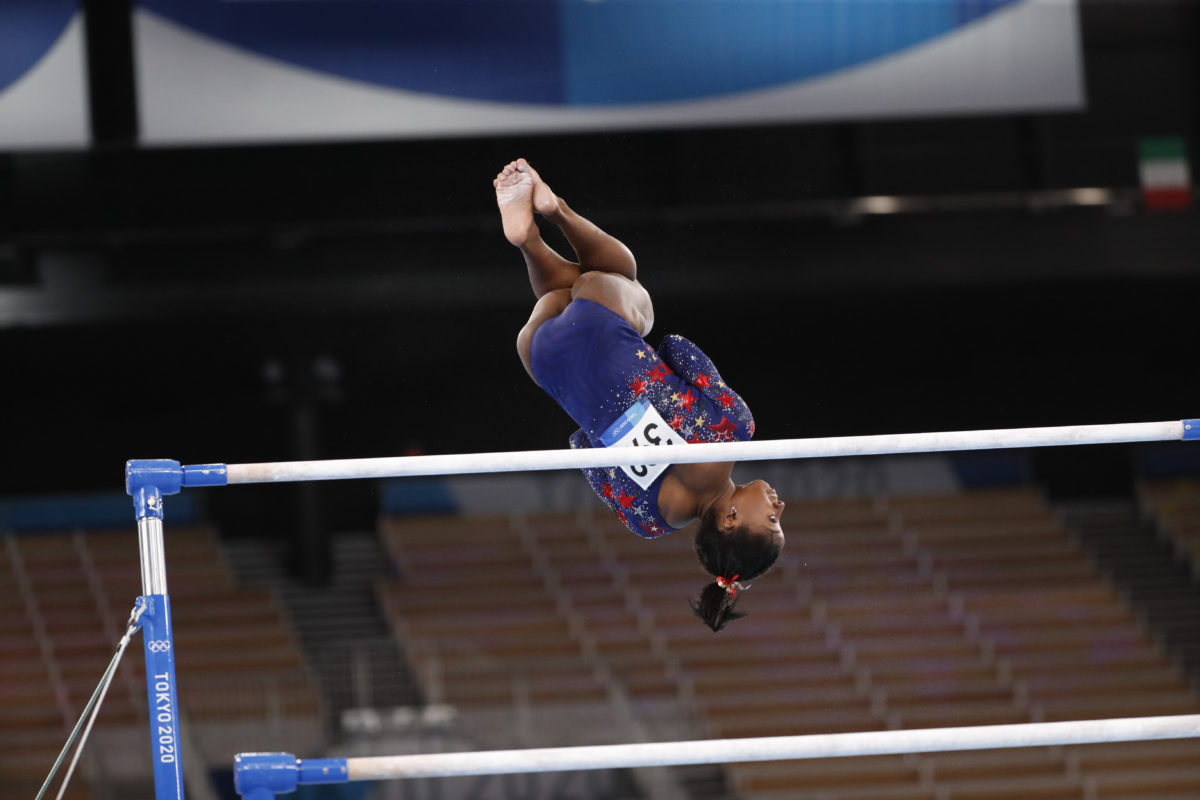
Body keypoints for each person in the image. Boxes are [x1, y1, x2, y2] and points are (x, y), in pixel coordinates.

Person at [495, 158, 786, 632]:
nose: (779, 507)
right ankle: (526, 242)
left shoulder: (734, 432)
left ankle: (556, 211)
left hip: (599, 312)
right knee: (574, 305)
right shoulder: (645, 521)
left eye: (772, 521)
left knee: (632, 291)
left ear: (731, 518)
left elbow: (678, 348)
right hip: (541, 357)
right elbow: (583, 448)